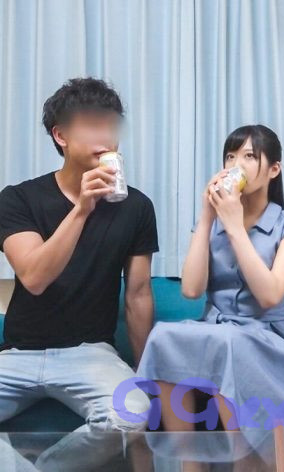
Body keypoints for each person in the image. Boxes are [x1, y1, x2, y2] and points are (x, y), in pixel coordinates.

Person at [137, 124, 284, 452]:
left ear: (273, 169)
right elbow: (191, 290)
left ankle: (244, 460)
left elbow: (269, 295)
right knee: (163, 335)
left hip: (268, 341)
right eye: (230, 156)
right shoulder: (211, 224)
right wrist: (206, 217)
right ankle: (189, 463)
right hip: (217, 332)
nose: (236, 164)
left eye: (249, 156)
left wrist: (234, 227)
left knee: (228, 341)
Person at [0, 77, 159, 438]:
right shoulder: (18, 199)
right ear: (61, 135)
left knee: (132, 415)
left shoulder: (136, 207)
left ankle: (43, 465)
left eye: (111, 126)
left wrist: (145, 374)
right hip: (19, 353)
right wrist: (83, 209)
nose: (106, 136)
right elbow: (34, 278)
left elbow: (137, 295)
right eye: (92, 125)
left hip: (91, 353)